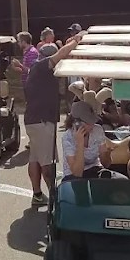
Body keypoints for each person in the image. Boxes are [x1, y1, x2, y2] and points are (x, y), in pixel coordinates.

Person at [23, 34, 83, 207]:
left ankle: (37, 194)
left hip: (33, 119)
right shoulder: (43, 66)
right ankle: (55, 199)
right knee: (47, 162)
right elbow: (61, 54)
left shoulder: (37, 68)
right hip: (42, 121)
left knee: (35, 158)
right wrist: (76, 41)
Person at [60, 100, 126, 182]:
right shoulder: (67, 137)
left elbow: (105, 164)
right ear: (76, 123)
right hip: (73, 177)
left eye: (92, 121)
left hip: (95, 170)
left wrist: (107, 154)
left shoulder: (97, 130)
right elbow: (77, 173)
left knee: (122, 180)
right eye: (88, 122)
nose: (92, 125)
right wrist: (80, 143)